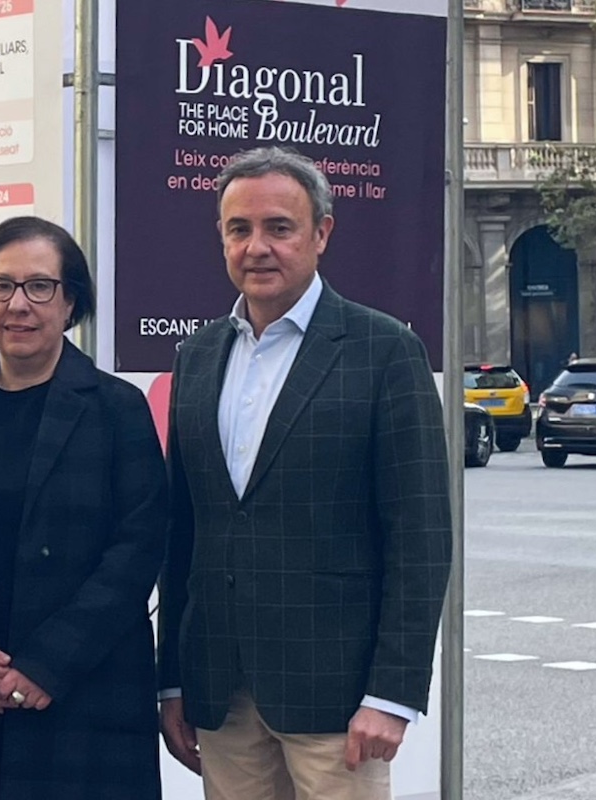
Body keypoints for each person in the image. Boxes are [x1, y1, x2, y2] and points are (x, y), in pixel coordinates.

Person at [157, 147, 452, 800]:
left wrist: (393, 694)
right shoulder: (198, 356)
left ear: (321, 232)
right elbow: (186, 532)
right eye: (239, 229)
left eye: (279, 227)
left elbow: (421, 537)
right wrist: (172, 679)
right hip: (223, 691)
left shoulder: (385, 351)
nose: (257, 247)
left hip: (339, 698)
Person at [0, 216, 167, 800]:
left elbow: (139, 548)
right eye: (1, 286)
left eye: (39, 287)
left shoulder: (117, 410)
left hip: (87, 691)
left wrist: (48, 662)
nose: (18, 305)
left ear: (70, 301)